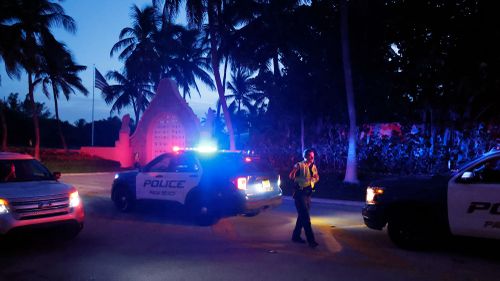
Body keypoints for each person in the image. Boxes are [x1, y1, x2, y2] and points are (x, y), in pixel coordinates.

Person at [289, 148, 319, 248]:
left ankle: (296, 236)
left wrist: (314, 179)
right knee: (305, 217)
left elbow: (317, 176)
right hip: (299, 193)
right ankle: (311, 241)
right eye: (310, 156)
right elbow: (291, 175)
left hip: (308, 194)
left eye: (313, 156)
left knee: (302, 216)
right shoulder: (299, 165)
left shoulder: (313, 166)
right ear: (305, 156)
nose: (312, 157)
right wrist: (297, 177)